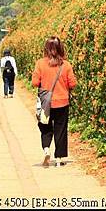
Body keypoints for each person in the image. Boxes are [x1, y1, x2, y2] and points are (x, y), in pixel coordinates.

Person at [31, 36, 77, 167]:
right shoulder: (66, 65)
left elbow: (35, 83)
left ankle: (46, 149)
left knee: (45, 127)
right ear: (60, 48)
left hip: (46, 103)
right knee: (60, 129)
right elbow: (72, 83)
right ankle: (59, 158)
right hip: (62, 102)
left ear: (46, 48)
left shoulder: (40, 63)